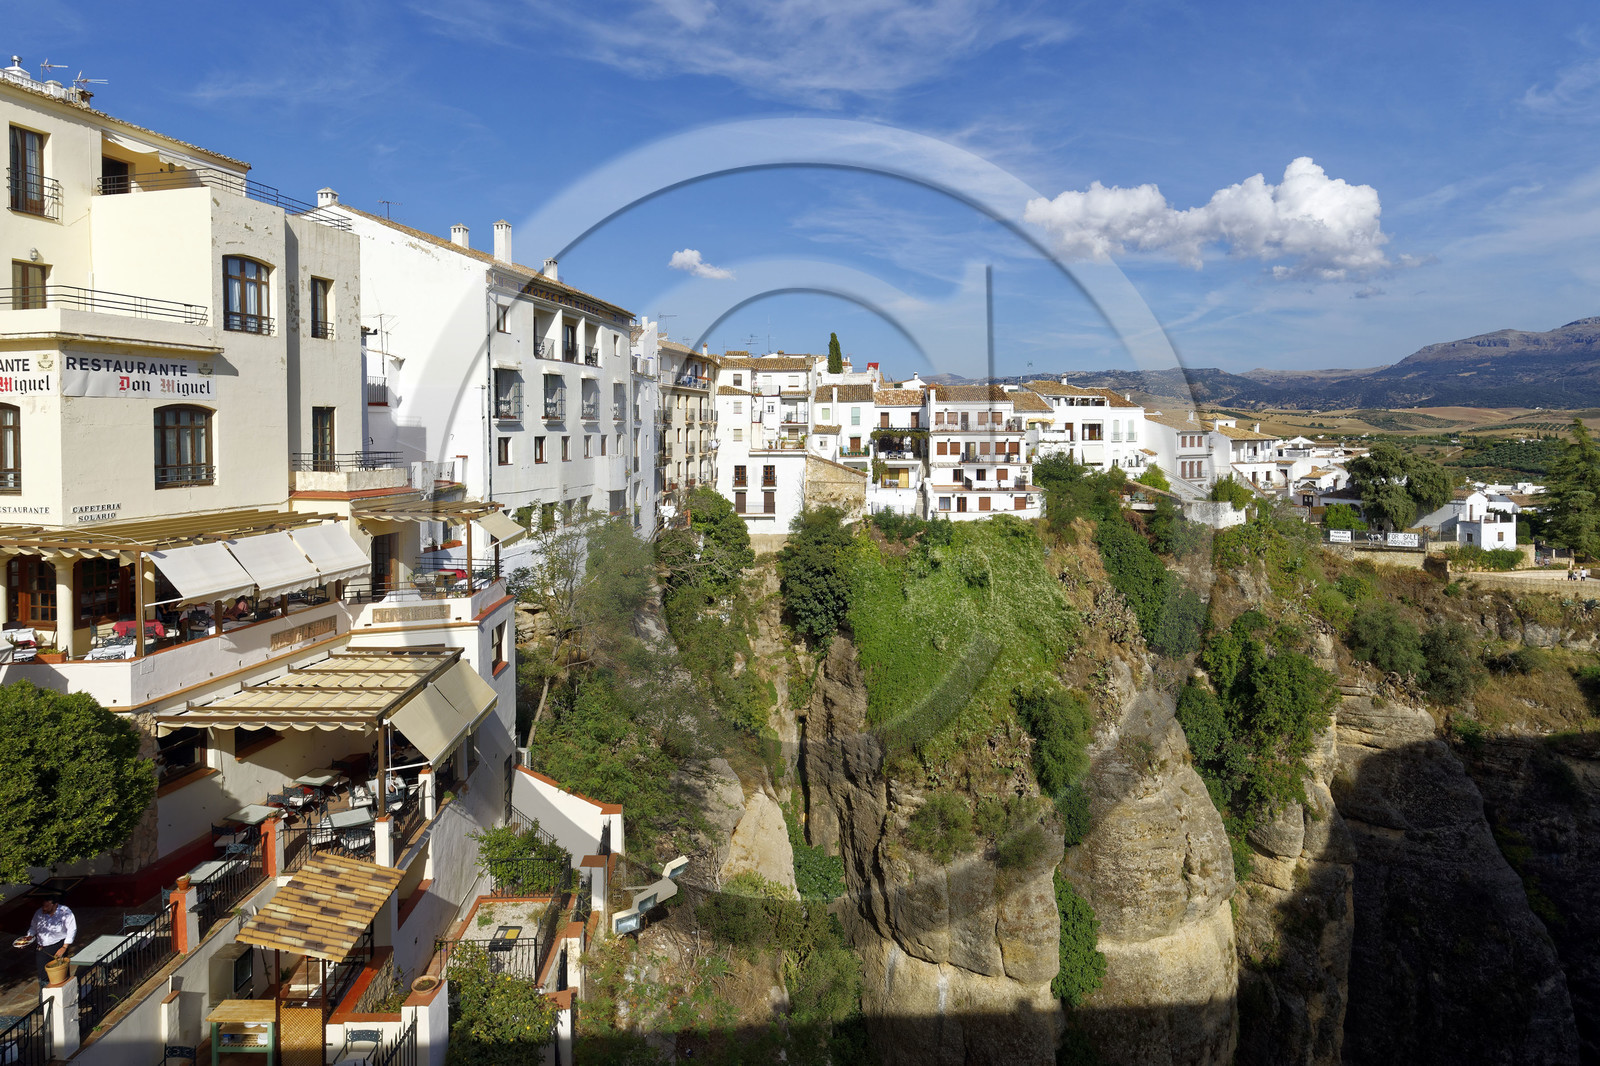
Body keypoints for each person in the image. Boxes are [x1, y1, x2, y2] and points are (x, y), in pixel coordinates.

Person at [26, 898, 75, 991]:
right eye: (43, 905)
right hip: (42, 948)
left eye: (47, 906)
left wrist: (64, 947)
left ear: (55, 904)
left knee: (61, 973)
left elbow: (72, 929)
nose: (44, 908)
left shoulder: (65, 912)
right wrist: (28, 937)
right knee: (43, 976)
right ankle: (44, 1001)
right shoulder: (39, 913)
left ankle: (65, 995)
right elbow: (33, 928)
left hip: (58, 946)